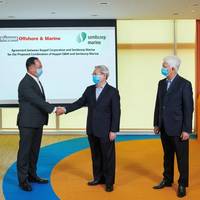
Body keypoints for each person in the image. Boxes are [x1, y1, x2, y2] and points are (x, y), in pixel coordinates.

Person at [57, 65, 121, 192]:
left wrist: (114, 130)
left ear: (104, 75)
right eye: (93, 73)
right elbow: (79, 103)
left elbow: (116, 112)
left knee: (108, 157)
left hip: (106, 130)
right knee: (96, 155)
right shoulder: (89, 90)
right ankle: (98, 178)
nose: (94, 75)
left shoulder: (112, 92)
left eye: (96, 73)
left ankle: (109, 182)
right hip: (92, 129)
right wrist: (64, 109)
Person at [16, 57, 62, 191]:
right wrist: (54, 109)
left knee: (34, 151)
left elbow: (38, 100)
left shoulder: (35, 80)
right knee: (25, 152)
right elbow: (37, 100)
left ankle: (32, 175)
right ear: (31, 67)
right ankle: (23, 180)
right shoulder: (25, 83)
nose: (41, 69)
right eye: (39, 66)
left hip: (37, 122)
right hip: (27, 123)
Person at [153, 55, 194, 198]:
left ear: (172, 68)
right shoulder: (161, 83)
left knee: (182, 158)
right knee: (167, 155)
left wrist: (187, 129)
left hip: (178, 128)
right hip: (164, 127)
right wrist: (156, 123)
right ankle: (167, 179)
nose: (162, 68)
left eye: (164, 66)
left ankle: (182, 184)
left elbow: (189, 108)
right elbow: (158, 104)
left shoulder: (185, 84)